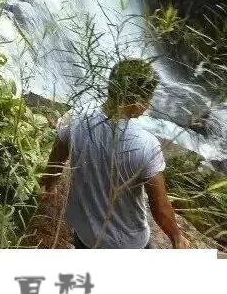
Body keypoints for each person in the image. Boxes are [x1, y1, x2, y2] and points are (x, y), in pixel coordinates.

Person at [41, 58, 190, 249]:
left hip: (85, 236)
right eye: (147, 100)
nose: (148, 107)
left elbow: (57, 156)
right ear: (137, 103)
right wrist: (177, 237)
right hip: (127, 244)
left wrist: (49, 185)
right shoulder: (145, 145)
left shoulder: (76, 116)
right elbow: (160, 208)